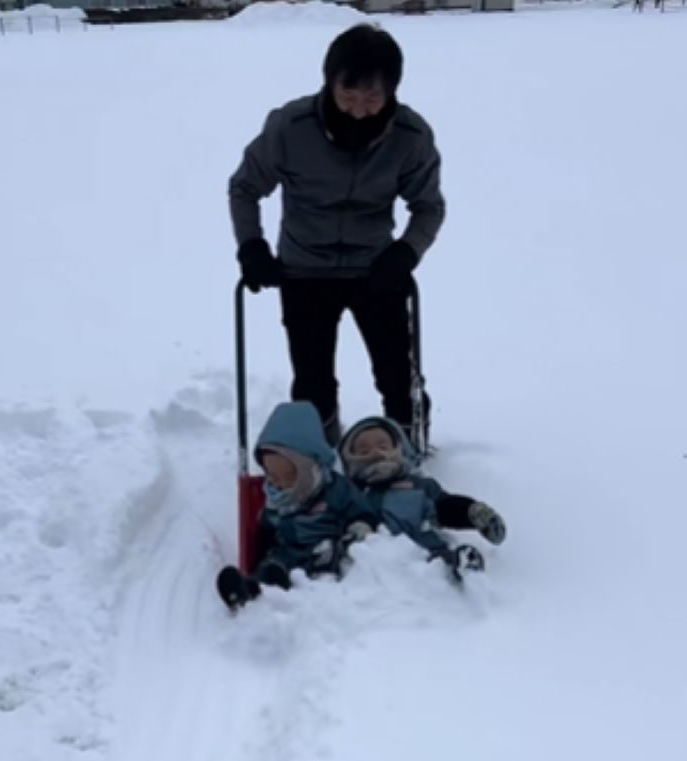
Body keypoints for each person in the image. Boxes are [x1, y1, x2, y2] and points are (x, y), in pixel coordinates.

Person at [228, 23, 445, 448]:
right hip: (305, 270)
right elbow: (245, 187)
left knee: (396, 374)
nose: (358, 110)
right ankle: (321, 454)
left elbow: (429, 206)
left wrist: (406, 252)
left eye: (372, 97)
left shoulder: (410, 136)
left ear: (391, 91)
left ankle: (406, 446)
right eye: (349, 94)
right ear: (329, 82)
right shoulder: (290, 127)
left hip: (375, 269)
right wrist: (251, 246)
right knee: (312, 381)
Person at [216, 401, 378, 610]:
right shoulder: (273, 497)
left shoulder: (335, 488)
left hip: (324, 552)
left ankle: (292, 590)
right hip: (286, 554)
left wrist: (358, 529)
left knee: (325, 561)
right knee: (271, 567)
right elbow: (266, 528)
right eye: (270, 475)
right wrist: (263, 534)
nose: (275, 484)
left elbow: (360, 511)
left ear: (308, 469)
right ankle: (248, 592)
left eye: (284, 476)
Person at [338, 416, 506, 579]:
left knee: (444, 560)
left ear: (398, 450)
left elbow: (445, 506)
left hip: (426, 552)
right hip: (377, 562)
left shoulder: (419, 486)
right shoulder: (351, 493)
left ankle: (462, 569)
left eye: (383, 447)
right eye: (364, 451)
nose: (376, 453)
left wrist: (471, 512)